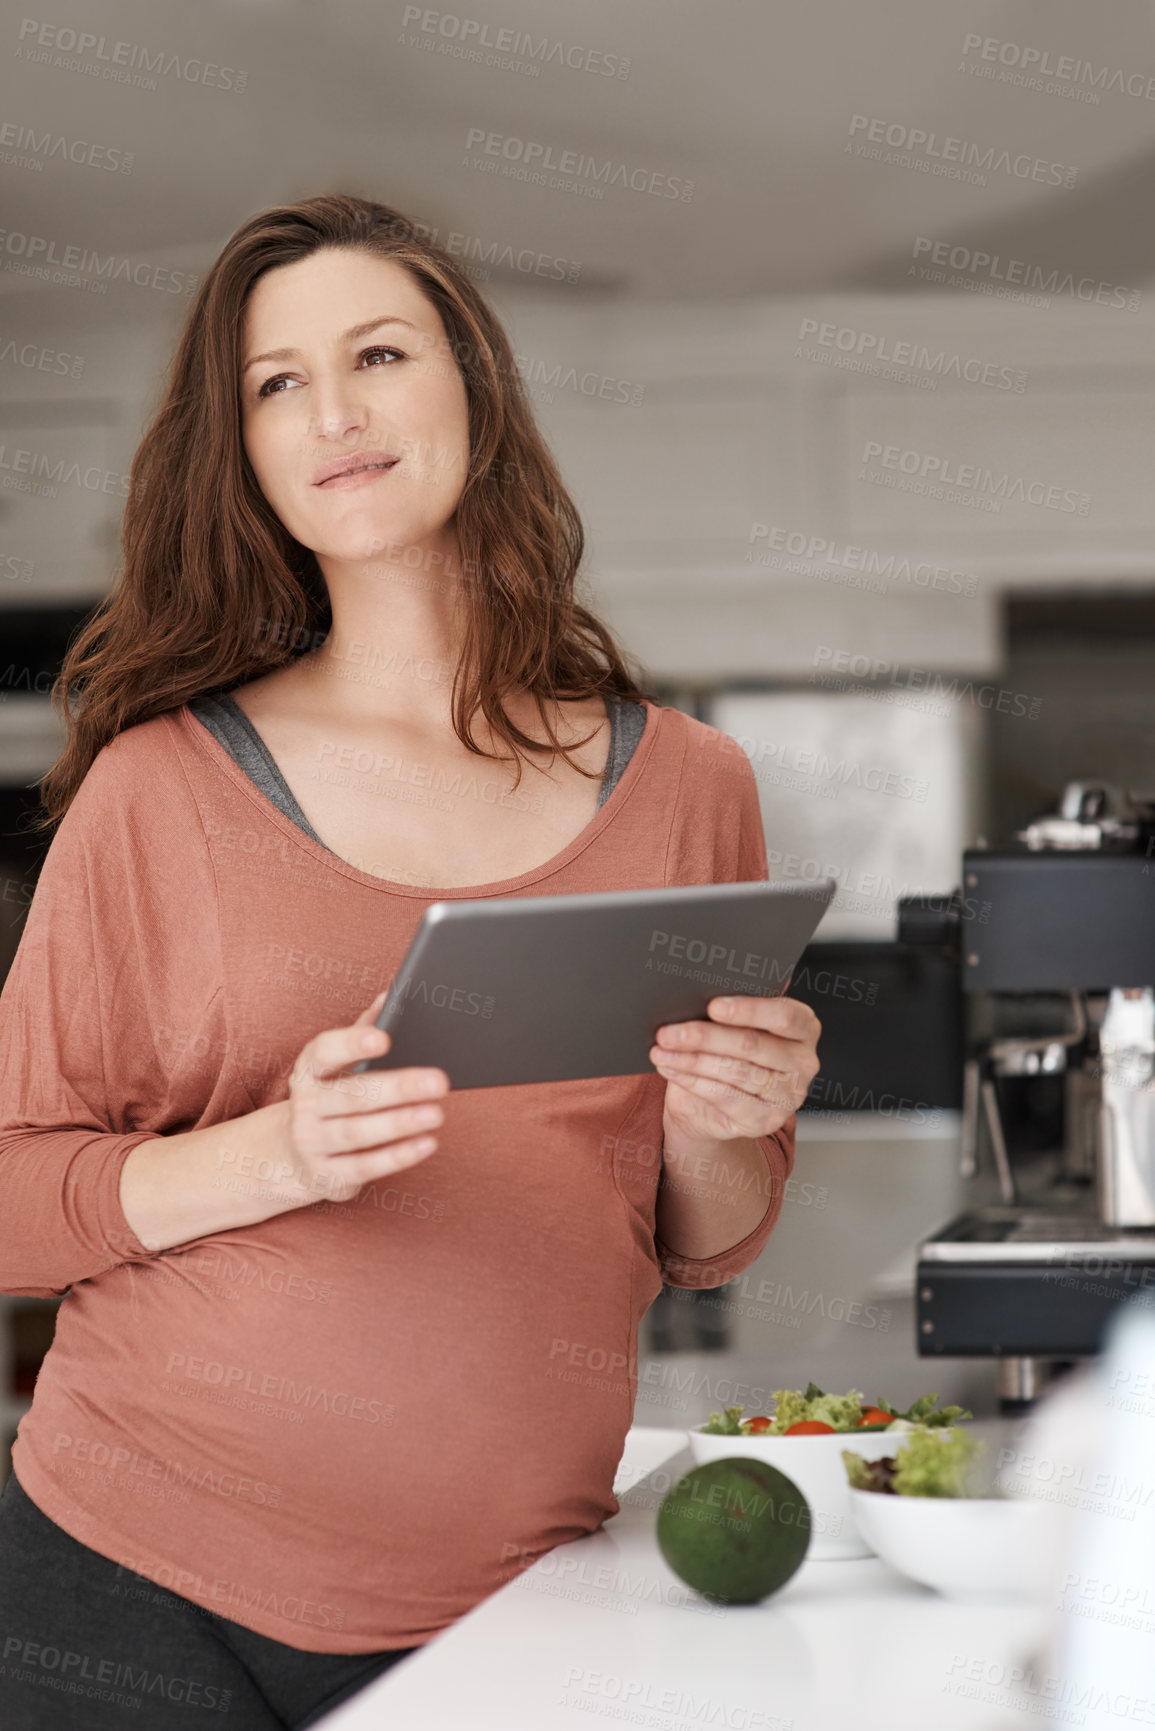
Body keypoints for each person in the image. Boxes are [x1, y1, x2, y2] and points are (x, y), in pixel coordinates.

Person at [0, 193, 821, 1729]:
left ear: (474, 392)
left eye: (378, 353)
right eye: (276, 383)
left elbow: (701, 1237)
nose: (336, 412)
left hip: (513, 1611)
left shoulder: (691, 785)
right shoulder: (162, 788)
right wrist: (277, 1157)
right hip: (129, 1579)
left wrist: (722, 1123)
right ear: (243, 450)